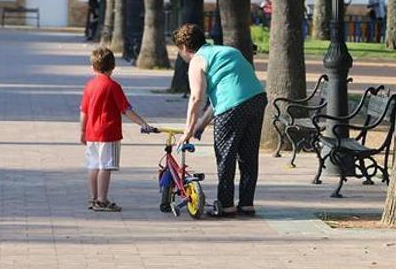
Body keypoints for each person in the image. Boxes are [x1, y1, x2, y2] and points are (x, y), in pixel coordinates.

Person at [172, 23, 267, 217]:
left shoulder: (197, 61)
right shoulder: (228, 51)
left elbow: (197, 98)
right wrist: (201, 124)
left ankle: (226, 205)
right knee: (248, 155)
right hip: (257, 100)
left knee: (226, 155)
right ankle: (247, 204)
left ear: (183, 48)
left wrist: (188, 131)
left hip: (232, 107)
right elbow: (221, 98)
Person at [80, 47, 152, 212]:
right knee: (106, 166)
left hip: (91, 133)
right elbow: (126, 110)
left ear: (93, 66)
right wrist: (142, 123)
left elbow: (83, 111)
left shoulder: (89, 86)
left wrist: (82, 131)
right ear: (113, 67)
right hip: (108, 133)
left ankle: (93, 198)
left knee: (93, 166)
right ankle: (102, 200)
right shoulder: (113, 86)